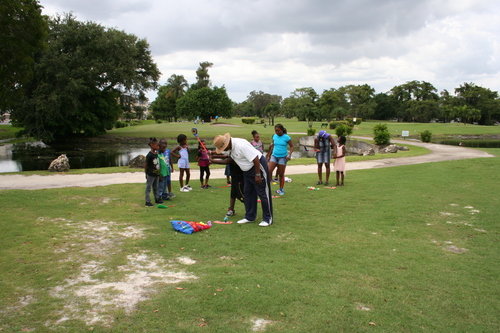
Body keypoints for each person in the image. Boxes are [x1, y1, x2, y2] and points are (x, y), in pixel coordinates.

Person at [211, 133, 273, 227]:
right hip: (246, 171)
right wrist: (213, 161)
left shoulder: (241, 145)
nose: (224, 150)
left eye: (224, 148)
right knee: (248, 193)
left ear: (227, 143)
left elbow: (255, 159)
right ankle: (250, 216)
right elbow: (229, 160)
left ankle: (268, 219)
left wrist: (257, 174)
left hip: (258, 167)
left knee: (263, 193)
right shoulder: (230, 147)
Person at [266, 124, 294, 195]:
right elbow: (272, 146)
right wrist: (268, 156)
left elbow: (292, 146)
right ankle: (267, 187)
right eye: (275, 131)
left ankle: (281, 189)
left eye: (278, 131)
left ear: (282, 130)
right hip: (274, 156)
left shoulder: (286, 137)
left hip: (283, 157)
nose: (277, 132)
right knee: (269, 170)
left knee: (281, 174)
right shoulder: (274, 136)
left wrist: (289, 154)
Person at [144, 137, 163, 206]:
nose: (158, 147)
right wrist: (146, 173)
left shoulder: (156, 154)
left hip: (156, 173)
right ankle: (147, 201)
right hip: (151, 174)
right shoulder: (149, 155)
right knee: (148, 187)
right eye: (157, 145)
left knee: (156, 187)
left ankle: (157, 198)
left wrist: (159, 173)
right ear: (152, 145)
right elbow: (146, 165)